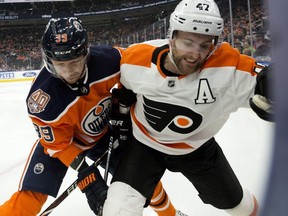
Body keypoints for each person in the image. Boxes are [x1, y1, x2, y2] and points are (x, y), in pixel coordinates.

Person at [0, 17, 187, 216]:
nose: (69, 71)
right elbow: (57, 145)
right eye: (60, 64)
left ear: (85, 54)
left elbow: (137, 65)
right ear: (48, 60)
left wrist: (127, 97)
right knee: (32, 194)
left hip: (104, 134)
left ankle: (171, 214)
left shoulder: (107, 60)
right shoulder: (42, 100)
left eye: (75, 62)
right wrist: (85, 175)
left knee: (143, 180)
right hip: (64, 143)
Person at [102, 0, 273, 215]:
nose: (195, 54)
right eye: (188, 42)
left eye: (205, 45)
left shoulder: (228, 68)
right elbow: (125, 91)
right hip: (144, 145)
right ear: (171, 37)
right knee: (117, 210)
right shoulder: (135, 59)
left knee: (241, 208)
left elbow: (265, 83)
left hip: (196, 149)